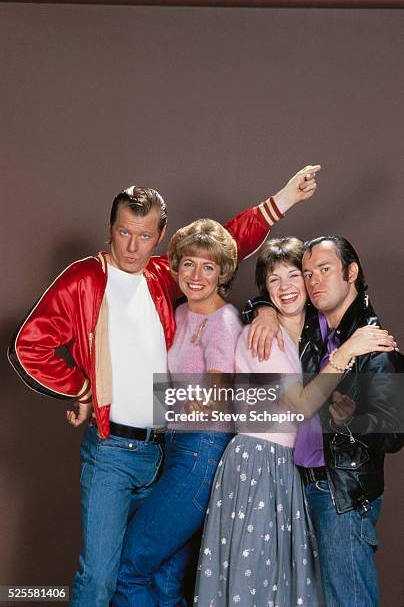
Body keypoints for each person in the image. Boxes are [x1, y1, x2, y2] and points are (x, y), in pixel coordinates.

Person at [7, 167, 320, 607]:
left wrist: (284, 200)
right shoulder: (84, 279)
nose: (132, 247)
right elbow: (27, 347)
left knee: (157, 578)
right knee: (102, 576)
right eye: (123, 233)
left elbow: (222, 246)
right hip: (113, 451)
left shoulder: (162, 275)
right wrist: (82, 388)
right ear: (110, 229)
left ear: (161, 238)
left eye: (144, 235)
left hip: (164, 451)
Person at [194, 237, 395, 607]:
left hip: (316, 479)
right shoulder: (267, 336)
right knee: (258, 576)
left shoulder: (327, 333)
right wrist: (262, 311)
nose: (288, 286)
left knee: (298, 585)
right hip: (263, 464)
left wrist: (352, 414)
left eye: (295, 276)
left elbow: (391, 428)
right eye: (275, 280)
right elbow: (303, 405)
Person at [113, 218, 246, 606]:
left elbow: (216, 399)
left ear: (222, 272)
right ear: (175, 266)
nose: (197, 275)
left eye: (208, 266)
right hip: (174, 450)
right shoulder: (182, 313)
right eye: (188, 263)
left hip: (200, 453)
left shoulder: (223, 321)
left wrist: (148, 401)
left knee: (129, 569)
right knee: (165, 583)